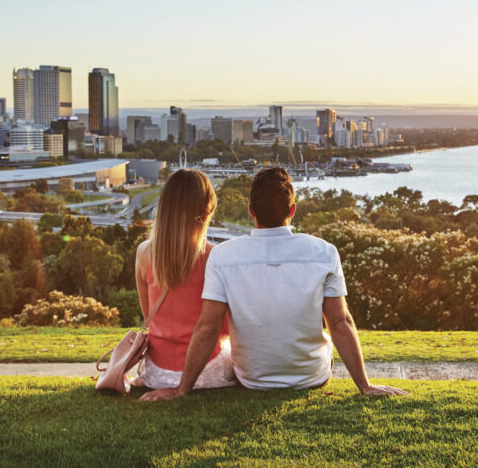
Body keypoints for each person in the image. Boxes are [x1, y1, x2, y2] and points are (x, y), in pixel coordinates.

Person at [140, 167, 407, 401]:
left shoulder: (223, 256)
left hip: (251, 379)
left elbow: (207, 327)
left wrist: (181, 390)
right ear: (292, 210)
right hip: (310, 377)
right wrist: (365, 385)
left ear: (251, 212)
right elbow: (340, 323)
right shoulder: (325, 252)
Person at [135, 169, 237, 396]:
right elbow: (224, 328)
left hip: (156, 373)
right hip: (205, 372)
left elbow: (149, 316)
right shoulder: (214, 257)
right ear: (207, 210)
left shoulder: (144, 253)